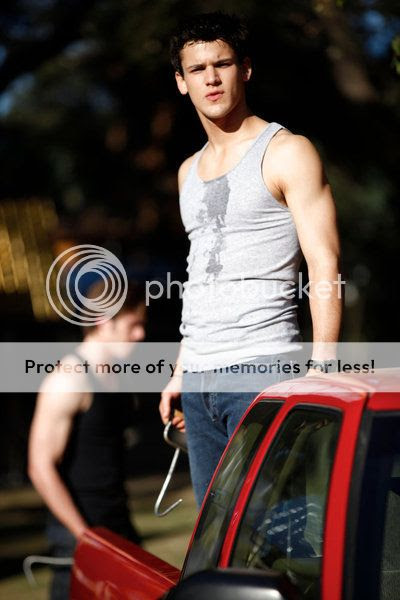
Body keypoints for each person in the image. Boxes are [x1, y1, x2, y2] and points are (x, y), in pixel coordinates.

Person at [159, 12, 342, 506]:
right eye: (197, 69)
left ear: (245, 69)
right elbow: (201, 275)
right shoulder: (187, 172)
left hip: (264, 370)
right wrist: (180, 370)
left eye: (222, 64)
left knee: (278, 531)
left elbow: (324, 262)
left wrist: (323, 365)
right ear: (181, 82)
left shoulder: (287, 152)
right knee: (216, 538)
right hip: (198, 382)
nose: (211, 79)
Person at [28, 279, 146, 600]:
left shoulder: (119, 376)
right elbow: (40, 466)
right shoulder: (68, 380)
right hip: (79, 543)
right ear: (103, 321)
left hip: (120, 530)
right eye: (133, 325)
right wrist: (85, 536)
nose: (141, 335)